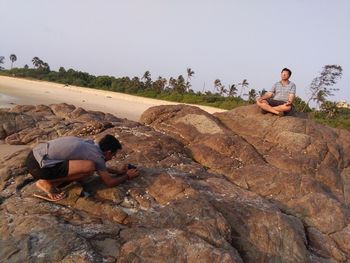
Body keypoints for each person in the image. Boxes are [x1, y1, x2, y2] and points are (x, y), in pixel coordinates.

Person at [25, 134, 139, 201]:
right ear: (108, 152)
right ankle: (47, 183)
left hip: (35, 156)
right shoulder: (96, 156)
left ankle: (48, 179)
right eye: (114, 155)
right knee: (88, 169)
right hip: (39, 167)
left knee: (88, 167)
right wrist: (127, 176)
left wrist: (118, 171)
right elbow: (109, 182)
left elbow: (101, 167)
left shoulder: (90, 144)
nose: (113, 157)